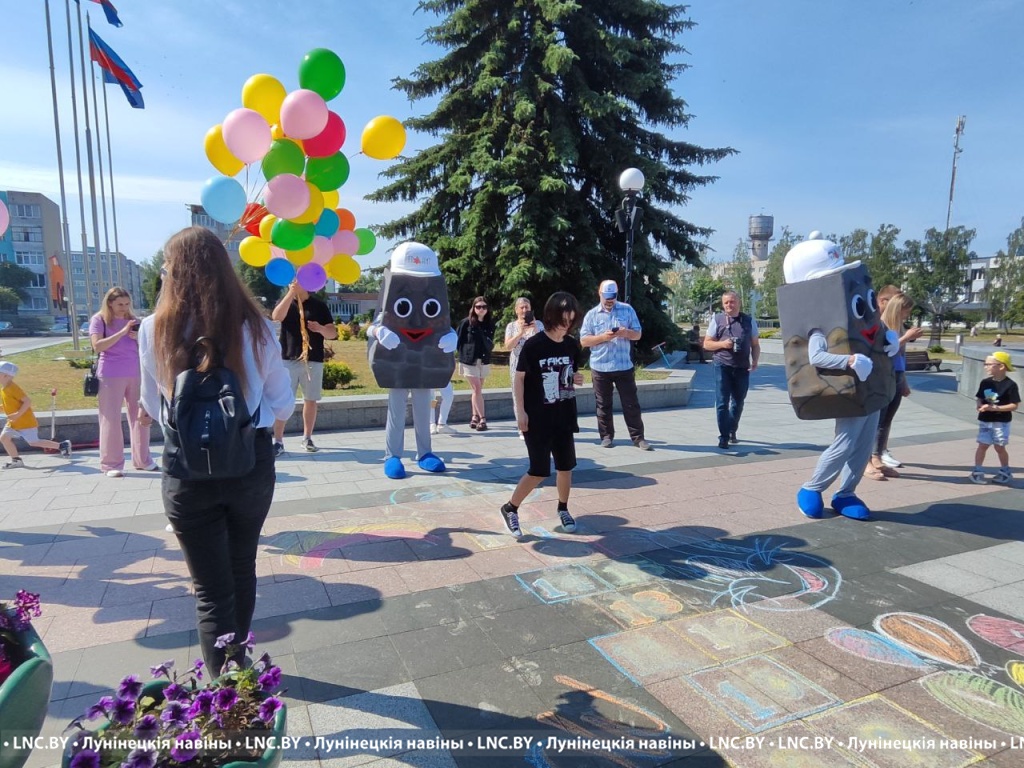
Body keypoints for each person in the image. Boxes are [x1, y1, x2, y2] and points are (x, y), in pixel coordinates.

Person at [137, 227, 293, 674]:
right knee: (242, 566)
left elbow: (151, 403)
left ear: (173, 273)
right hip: (249, 463)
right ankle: (237, 671)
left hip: (186, 469)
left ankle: (224, 690)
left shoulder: (152, 328)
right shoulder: (257, 326)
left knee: (209, 590)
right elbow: (283, 403)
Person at [499, 292, 585, 538]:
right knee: (538, 470)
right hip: (537, 417)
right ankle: (510, 508)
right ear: (551, 316)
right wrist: (520, 412)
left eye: (570, 320)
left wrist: (575, 378)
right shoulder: (534, 344)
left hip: (564, 415)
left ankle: (563, 508)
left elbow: (568, 374)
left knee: (566, 467)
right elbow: (519, 379)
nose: (566, 325)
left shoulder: (571, 345)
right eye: (562, 319)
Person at [89, 287, 155, 478]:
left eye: (127, 304)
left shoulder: (135, 321)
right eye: (120, 304)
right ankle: (111, 464)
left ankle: (143, 460)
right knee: (110, 418)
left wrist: (138, 338)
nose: (124, 308)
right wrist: (122, 332)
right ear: (110, 303)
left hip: (136, 372)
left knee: (141, 416)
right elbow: (97, 346)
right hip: (110, 373)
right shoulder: (99, 320)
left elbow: (148, 348)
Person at [579, 280, 652, 451]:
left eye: (612, 297)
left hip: (623, 366)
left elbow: (638, 334)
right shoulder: (592, 314)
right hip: (600, 366)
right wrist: (602, 338)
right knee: (603, 405)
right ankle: (606, 436)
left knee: (631, 404)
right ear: (600, 294)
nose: (609, 301)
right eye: (606, 297)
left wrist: (625, 332)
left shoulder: (627, 309)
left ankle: (638, 438)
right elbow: (584, 340)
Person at [271, 281, 338, 455]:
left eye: (297, 280)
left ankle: (307, 437)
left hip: (312, 360)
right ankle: (278, 441)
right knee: (283, 400)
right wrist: (290, 295)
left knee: (310, 399)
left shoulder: (319, 306)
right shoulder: (285, 302)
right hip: (288, 359)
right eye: (291, 281)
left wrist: (320, 328)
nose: (293, 283)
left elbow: (333, 333)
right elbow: (276, 317)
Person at [868, 288, 922, 478]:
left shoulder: (898, 327)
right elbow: (884, 351)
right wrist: (906, 338)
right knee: (877, 420)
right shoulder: (881, 325)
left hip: (896, 375)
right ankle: (867, 460)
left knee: (886, 420)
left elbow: (900, 356)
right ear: (897, 308)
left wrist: (904, 381)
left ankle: (877, 456)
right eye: (906, 310)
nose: (907, 315)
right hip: (883, 376)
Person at [703, 291, 760, 449]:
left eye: (732, 302)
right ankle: (723, 436)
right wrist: (723, 344)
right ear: (723, 305)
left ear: (739, 303)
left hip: (742, 367)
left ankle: (731, 429)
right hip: (722, 365)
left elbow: (755, 344)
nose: (730, 305)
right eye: (726, 302)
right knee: (722, 402)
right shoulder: (717, 320)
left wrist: (755, 360)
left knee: (738, 402)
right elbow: (707, 344)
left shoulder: (748, 321)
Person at [0, 360, 72, 469]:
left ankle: (62, 445)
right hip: (13, 422)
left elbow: (27, 401)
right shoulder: (4, 388)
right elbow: (10, 404)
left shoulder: (13, 388)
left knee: (34, 442)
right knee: (4, 438)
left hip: (25, 422)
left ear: (6, 375)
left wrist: (18, 414)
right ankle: (16, 460)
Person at [970, 351, 1019, 485]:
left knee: (999, 447)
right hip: (985, 420)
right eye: (985, 364)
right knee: (982, 445)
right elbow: (979, 397)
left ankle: (1005, 470)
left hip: (1001, 422)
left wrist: (995, 408)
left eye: (988, 364)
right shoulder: (985, 382)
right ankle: (977, 471)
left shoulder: (1010, 385)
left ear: (1001, 366)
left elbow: (1014, 405)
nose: (986, 367)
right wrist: (979, 404)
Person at [504, 297, 544, 439]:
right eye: (521, 307)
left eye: (527, 307)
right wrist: (520, 332)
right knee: (518, 396)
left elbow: (544, 344)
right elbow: (508, 346)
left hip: (535, 366)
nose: (524, 310)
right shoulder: (511, 326)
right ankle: (522, 428)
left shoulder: (538, 324)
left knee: (536, 394)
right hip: (517, 366)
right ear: (516, 310)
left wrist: (535, 330)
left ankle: (536, 424)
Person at [456, 296, 496, 431]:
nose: (481, 309)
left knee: (476, 390)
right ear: (473, 308)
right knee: (477, 388)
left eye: (484, 307)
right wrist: (462, 355)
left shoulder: (490, 323)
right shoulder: (466, 323)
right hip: (469, 360)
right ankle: (483, 419)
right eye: (478, 307)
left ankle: (474, 416)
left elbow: (490, 341)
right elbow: (458, 341)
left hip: (483, 360)